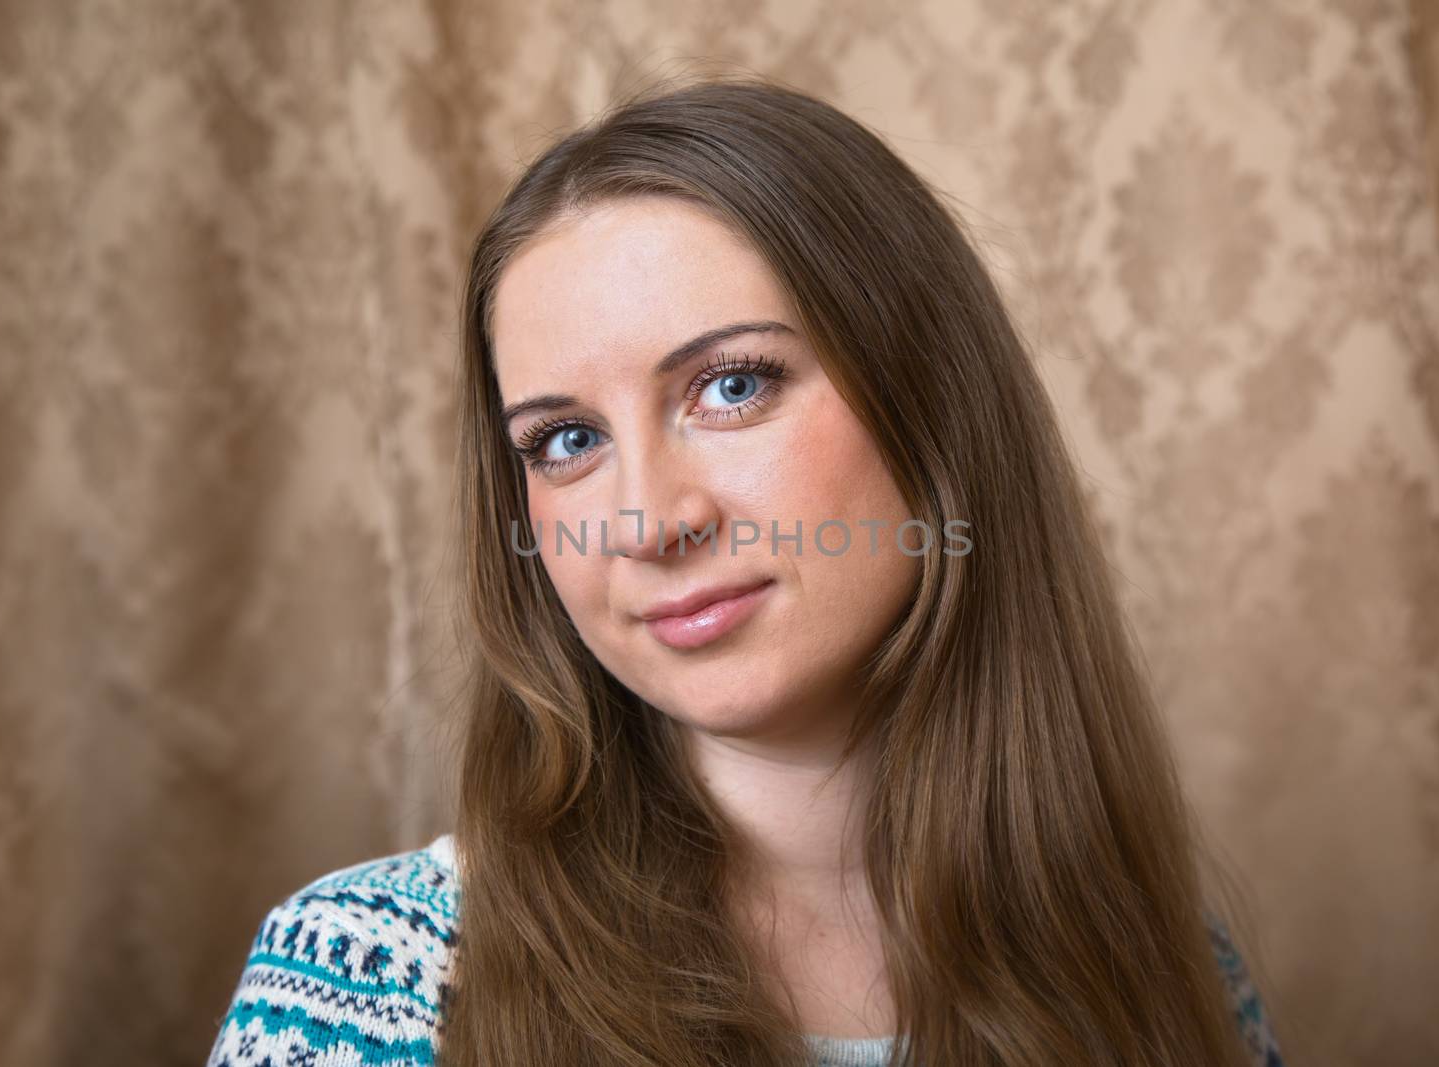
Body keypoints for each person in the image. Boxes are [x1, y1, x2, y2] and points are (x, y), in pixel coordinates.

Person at [205, 74, 1286, 1067]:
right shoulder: (362, 984)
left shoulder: (1162, 956)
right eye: (564, 440)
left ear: (934, 408)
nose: (646, 521)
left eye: (730, 386)